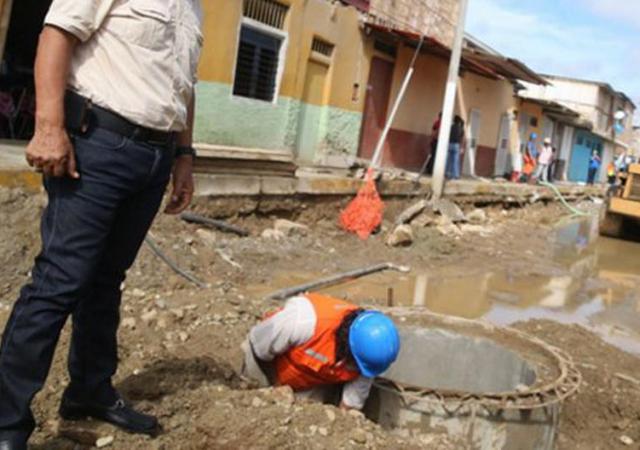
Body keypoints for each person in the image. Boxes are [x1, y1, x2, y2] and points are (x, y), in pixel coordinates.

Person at [0, 1, 202, 448]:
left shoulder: (194, 8)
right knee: (59, 281)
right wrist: (49, 127)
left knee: (107, 280)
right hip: (100, 145)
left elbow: (185, 87)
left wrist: (184, 157)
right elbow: (55, 35)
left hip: (155, 157)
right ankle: (6, 421)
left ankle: (89, 391)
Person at [240, 293, 401, 410]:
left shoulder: (369, 357)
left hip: (308, 382)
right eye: (356, 365)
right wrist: (275, 389)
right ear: (349, 346)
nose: (358, 371)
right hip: (267, 364)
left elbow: (350, 403)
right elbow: (258, 347)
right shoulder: (304, 321)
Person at [445, 115, 465, 180]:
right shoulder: (461, 129)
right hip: (456, 145)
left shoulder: (450, 127)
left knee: (448, 160)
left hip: (449, 144)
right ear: (459, 121)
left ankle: (447, 173)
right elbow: (462, 139)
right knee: (455, 161)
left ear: (454, 120)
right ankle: (455, 175)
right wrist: (461, 147)